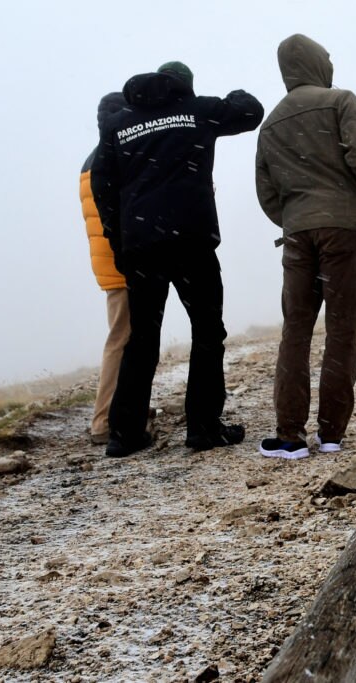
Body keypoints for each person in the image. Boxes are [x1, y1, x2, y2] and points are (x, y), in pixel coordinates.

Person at [91, 62, 264, 457]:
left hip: (141, 248)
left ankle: (124, 434)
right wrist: (229, 95)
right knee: (207, 332)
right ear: (184, 86)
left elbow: (103, 187)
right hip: (191, 241)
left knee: (141, 339)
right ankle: (203, 428)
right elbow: (251, 110)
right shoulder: (197, 111)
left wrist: (120, 242)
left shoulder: (118, 125)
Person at [255, 34, 356, 459]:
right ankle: (330, 433)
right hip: (343, 228)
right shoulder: (340, 101)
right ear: (318, 63)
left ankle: (289, 434)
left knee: (295, 329)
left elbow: (266, 191)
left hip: (297, 233)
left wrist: (295, 219)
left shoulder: (271, 123)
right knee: (342, 328)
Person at [80, 92, 129, 445]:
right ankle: (103, 420)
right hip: (120, 259)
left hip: (107, 259)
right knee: (121, 339)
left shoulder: (92, 158)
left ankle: (120, 409)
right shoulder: (114, 157)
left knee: (123, 337)